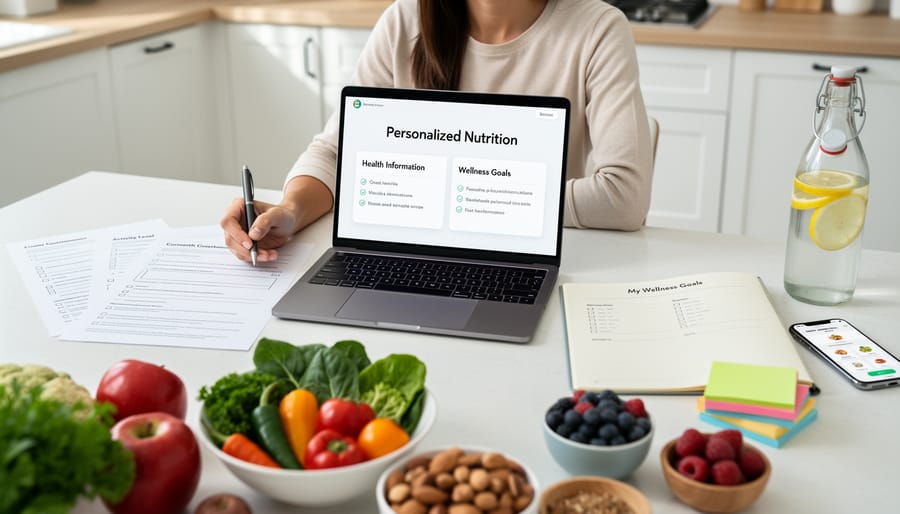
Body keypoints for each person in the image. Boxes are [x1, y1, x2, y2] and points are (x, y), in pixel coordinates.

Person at [222, 0, 653, 263]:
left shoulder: (597, 28)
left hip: (529, 264)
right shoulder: (403, 21)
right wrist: (293, 210)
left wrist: (458, 201)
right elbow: (336, 152)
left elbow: (623, 198)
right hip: (405, 259)